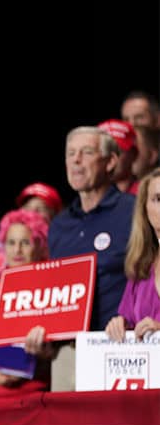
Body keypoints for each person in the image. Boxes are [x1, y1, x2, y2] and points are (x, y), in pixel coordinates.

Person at [49, 126, 135, 331]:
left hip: (117, 344)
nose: (76, 160)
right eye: (70, 153)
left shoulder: (133, 212)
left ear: (110, 162)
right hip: (67, 349)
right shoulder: (59, 225)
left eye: (87, 152)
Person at [0, 209, 55, 396]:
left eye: (25, 242)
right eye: (11, 243)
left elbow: (53, 355)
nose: (17, 250)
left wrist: (9, 378)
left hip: (37, 395)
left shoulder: (52, 290)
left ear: (40, 245)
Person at [106, 168, 160, 341]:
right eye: (158, 199)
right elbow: (128, 320)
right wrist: (119, 324)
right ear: (145, 208)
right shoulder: (141, 265)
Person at [98, 119, 140, 195]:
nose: (110, 159)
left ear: (134, 154)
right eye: (103, 151)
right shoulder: (83, 201)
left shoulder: (147, 195)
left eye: (117, 151)